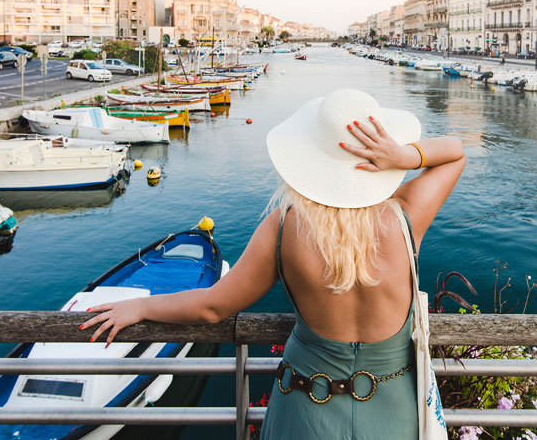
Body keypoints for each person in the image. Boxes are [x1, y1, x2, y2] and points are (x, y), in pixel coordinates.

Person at [82, 88, 466, 438]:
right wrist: (405, 155)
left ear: (311, 159)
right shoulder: (405, 217)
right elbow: (455, 153)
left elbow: (213, 306)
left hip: (306, 404)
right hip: (394, 408)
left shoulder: (284, 227)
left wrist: (141, 306)